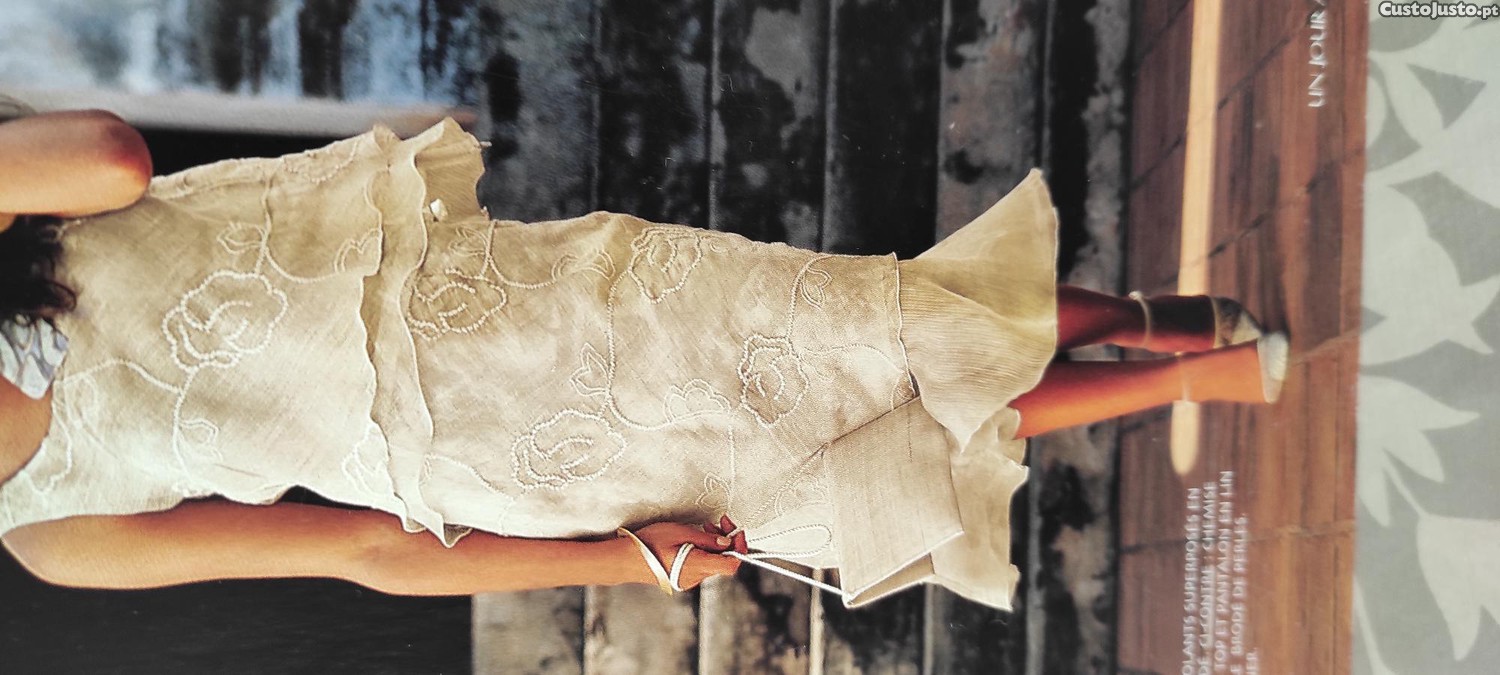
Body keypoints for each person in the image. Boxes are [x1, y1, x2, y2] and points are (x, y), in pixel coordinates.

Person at [0, 107, 1286, 609]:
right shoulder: (51, 533)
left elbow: (113, 158)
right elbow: (360, 550)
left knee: (871, 321)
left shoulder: (28, 214)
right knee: (856, 457)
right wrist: (626, 560)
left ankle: (1138, 322)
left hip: (521, 302)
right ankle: (1183, 374)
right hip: (496, 458)